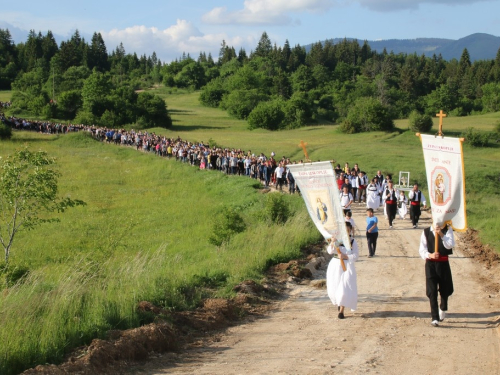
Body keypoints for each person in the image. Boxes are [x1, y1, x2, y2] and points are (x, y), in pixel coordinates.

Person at [418, 223, 455, 327]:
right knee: (432, 290)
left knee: (445, 289)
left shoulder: (448, 229)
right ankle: (434, 317)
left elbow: (450, 244)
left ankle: (443, 307)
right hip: (431, 264)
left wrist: (441, 235)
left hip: (443, 264)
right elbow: (422, 250)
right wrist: (430, 255)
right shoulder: (426, 232)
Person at [326, 222, 359, 319]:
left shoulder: (353, 242)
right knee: (335, 286)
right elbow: (330, 251)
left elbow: (356, 255)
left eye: (348, 230)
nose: (346, 232)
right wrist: (332, 242)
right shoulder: (337, 240)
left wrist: (345, 256)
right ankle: (339, 303)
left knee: (345, 287)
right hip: (336, 265)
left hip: (347, 266)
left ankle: (341, 311)